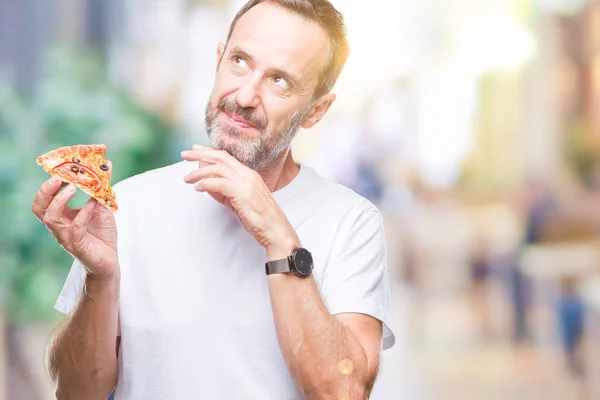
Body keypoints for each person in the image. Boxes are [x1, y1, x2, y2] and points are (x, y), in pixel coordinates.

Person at [31, 1, 395, 399]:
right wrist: (99, 281)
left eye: (280, 81)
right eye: (239, 61)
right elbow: (75, 392)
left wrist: (280, 240)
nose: (245, 96)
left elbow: (344, 390)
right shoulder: (128, 207)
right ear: (219, 59)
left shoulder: (351, 222)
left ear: (316, 111)